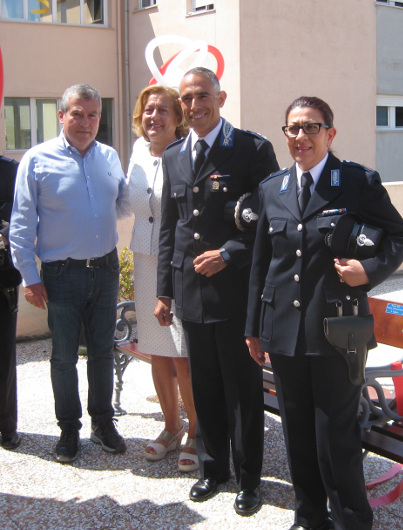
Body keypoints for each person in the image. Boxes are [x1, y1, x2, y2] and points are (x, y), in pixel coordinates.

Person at [245, 96, 403, 530]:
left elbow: (401, 236)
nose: (300, 137)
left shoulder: (356, 181)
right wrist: (253, 328)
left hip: (339, 332)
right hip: (283, 331)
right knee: (297, 433)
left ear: (330, 133)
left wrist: (369, 271)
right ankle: (309, 518)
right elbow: (261, 265)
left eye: (310, 128)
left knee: (335, 435)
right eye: (292, 129)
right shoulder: (272, 189)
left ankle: (352, 521)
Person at [155, 67, 279, 516]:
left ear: (221, 97)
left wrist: (229, 251)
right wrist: (165, 291)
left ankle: (250, 479)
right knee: (204, 386)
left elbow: (272, 221)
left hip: (236, 291)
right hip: (190, 293)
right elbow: (171, 227)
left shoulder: (250, 149)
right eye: (186, 98)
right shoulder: (173, 155)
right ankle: (213, 469)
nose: (194, 105)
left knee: (243, 391)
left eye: (202, 95)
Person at [10, 84, 131, 463]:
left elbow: (126, 205)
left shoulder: (109, 157)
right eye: (77, 113)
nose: (86, 121)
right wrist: (30, 277)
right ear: (61, 116)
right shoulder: (38, 159)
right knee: (63, 356)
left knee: (101, 351)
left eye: (93, 114)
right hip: (61, 275)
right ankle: (68, 429)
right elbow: (21, 223)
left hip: (106, 269)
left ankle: (103, 423)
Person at [127, 84, 199, 471]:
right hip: (144, 259)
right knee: (157, 351)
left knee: (183, 354)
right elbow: (125, 201)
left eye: (163, 110)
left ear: (178, 118)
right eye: (148, 109)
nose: (154, 116)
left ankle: (196, 431)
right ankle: (171, 427)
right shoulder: (137, 153)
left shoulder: (186, 154)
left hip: (177, 264)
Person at [0, 155, 22, 451]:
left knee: (3, 354)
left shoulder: (9, 170)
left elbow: (23, 214)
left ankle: (6, 426)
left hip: (2, 274)